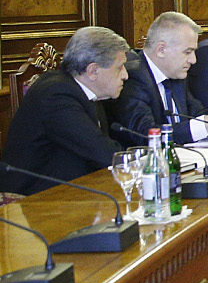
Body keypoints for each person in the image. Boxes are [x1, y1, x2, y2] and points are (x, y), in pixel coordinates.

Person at [0, 26, 130, 195]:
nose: (125, 75)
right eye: (119, 67)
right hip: (33, 199)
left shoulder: (84, 90)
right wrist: (143, 160)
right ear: (93, 71)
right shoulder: (57, 95)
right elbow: (104, 153)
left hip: (71, 190)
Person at [112, 12, 208, 144]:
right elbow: (145, 134)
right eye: (187, 52)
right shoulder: (133, 77)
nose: (193, 60)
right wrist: (204, 126)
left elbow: (199, 113)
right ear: (161, 49)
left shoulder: (176, 74)